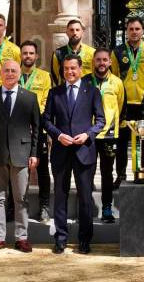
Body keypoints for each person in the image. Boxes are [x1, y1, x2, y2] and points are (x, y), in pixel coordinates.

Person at [0, 60, 40, 253]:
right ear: (0, 73)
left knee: (21, 198)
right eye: (6, 71)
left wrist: (34, 153)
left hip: (21, 155)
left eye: (13, 71)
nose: (10, 74)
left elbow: (37, 129)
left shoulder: (30, 97)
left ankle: (21, 238)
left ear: (20, 74)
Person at [43, 54, 106, 254]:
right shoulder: (55, 92)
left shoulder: (92, 91)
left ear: (80, 69)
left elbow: (101, 121)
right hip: (61, 151)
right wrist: (58, 135)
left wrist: (88, 135)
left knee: (85, 198)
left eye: (73, 68)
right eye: (66, 69)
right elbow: (46, 120)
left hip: (84, 151)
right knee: (60, 196)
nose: (69, 72)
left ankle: (85, 239)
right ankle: (60, 238)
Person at [111, 17, 144, 188]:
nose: (134, 32)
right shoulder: (117, 52)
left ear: (143, 31)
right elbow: (114, 78)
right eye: (131, 29)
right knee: (122, 141)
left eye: (137, 29)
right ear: (126, 31)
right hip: (124, 104)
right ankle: (121, 175)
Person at [83, 48, 124, 223]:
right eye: (98, 60)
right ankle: (85, 209)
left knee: (107, 174)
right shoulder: (85, 81)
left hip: (108, 135)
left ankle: (107, 208)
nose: (101, 63)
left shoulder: (117, 83)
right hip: (88, 135)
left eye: (104, 60)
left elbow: (121, 106)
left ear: (110, 62)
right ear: (93, 61)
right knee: (86, 173)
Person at [20, 40, 54, 223]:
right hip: (17, 129)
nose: (28, 56)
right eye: (25, 53)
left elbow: (47, 103)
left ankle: (44, 207)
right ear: (20, 55)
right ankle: (18, 206)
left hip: (38, 128)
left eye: (31, 53)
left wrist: (43, 127)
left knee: (42, 168)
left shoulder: (44, 77)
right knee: (18, 168)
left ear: (36, 56)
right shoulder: (14, 75)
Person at [52, 19, 95, 85]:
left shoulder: (92, 52)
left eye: (77, 30)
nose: (75, 33)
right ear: (67, 32)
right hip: (67, 92)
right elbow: (55, 78)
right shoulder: (58, 53)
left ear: (82, 32)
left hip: (87, 92)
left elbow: (96, 75)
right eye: (71, 30)